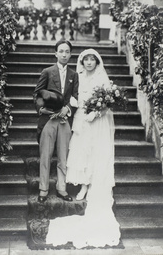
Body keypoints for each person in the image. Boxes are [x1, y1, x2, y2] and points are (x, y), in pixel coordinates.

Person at [46, 48, 121, 248]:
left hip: (96, 120)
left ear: (97, 62)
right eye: (85, 59)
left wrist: (95, 114)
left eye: (92, 59)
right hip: (80, 119)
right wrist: (73, 103)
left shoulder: (103, 78)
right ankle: (83, 184)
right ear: (82, 61)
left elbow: (107, 102)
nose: (89, 62)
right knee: (80, 150)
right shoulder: (76, 76)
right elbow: (74, 97)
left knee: (94, 151)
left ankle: (91, 184)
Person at [33, 39, 79, 203]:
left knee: (63, 156)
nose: (64, 54)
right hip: (48, 120)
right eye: (61, 51)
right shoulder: (47, 72)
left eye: (67, 51)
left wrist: (68, 108)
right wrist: (41, 109)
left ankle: (62, 188)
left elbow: (76, 96)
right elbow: (37, 94)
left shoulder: (74, 75)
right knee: (45, 155)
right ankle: (43, 189)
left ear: (70, 54)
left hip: (64, 120)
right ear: (56, 53)